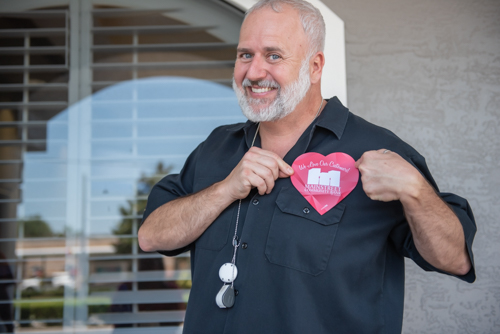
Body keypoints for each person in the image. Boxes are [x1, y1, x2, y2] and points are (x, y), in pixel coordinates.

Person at [138, 0, 476, 333]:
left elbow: (453, 258)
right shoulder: (217, 148)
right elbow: (151, 237)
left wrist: (415, 190)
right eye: (245, 55)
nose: (254, 72)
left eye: (273, 55)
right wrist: (224, 190)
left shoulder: (375, 152)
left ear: (315, 67)